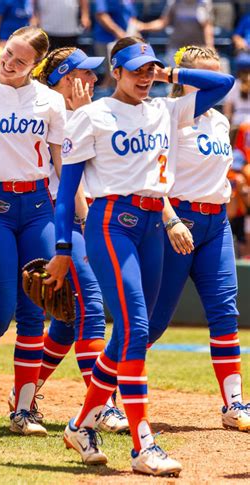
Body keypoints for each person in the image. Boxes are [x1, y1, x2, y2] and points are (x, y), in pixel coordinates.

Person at [46, 36, 234, 475]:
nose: (146, 77)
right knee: (136, 328)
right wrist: (60, 249)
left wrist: (171, 74)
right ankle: (142, 445)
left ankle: (79, 424)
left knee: (129, 334)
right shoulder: (92, 115)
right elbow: (66, 195)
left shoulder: (165, 110)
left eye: (151, 69)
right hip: (111, 223)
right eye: (136, 70)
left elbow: (222, 82)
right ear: (117, 73)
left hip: (153, 226)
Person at [0, 26, 66, 437]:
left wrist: (75, 212)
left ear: (36, 64)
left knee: (35, 307)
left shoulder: (51, 101)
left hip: (39, 204)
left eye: (21, 60)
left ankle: (24, 408)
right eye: (8, 53)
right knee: (0, 306)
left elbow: (62, 163)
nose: (9, 63)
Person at [147, 48, 250, 434]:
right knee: (154, 322)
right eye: (205, 76)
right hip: (178, 224)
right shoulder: (165, 116)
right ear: (184, 77)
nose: (216, 84)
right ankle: (107, 395)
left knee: (225, 313)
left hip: (216, 223)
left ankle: (234, 403)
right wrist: (170, 219)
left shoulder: (220, 121)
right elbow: (151, 178)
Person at [27, 46, 128, 433]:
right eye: (83, 74)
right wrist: (88, 225)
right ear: (64, 80)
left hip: (79, 219)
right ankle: (101, 406)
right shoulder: (56, 116)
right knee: (90, 304)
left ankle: (27, 390)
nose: (92, 79)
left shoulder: (90, 115)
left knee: (68, 321)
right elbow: (70, 185)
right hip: (59, 219)